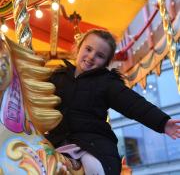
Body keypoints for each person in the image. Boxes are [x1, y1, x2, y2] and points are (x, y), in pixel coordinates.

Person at [46, 29, 180, 175]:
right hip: (57, 141)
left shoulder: (106, 83)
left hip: (91, 144)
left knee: (94, 169)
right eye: (88, 49)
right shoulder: (58, 77)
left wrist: (162, 122)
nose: (91, 57)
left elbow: (134, 104)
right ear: (79, 48)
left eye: (100, 56)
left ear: (106, 63)